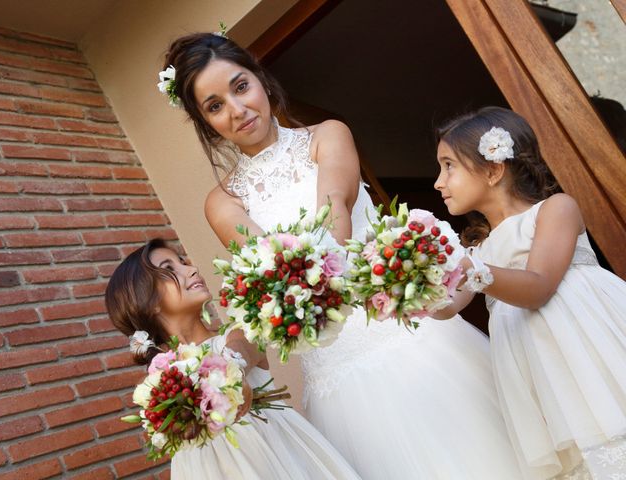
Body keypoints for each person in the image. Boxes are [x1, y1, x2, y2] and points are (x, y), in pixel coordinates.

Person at [158, 32, 523, 479]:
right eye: (214, 106)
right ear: (205, 121)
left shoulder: (327, 135)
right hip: (337, 377)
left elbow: (335, 202)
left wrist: (305, 270)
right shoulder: (222, 202)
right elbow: (267, 276)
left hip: (409, 340)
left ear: (261, 80)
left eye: (240, 86)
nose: (237, 110)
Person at [433, 106, 626, 479]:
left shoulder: (555, 209)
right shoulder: (478, 249)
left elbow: (538, 285)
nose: (439, 182)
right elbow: (448, 307)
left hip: (586, 344)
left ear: (493, 168)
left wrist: (471, 270)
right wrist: (409, 287)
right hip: (541, 368)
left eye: (449, 166)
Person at [105, 238, 361, 480]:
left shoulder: (238, 333)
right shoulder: (162, 382)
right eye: (170, 268)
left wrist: (232, 368)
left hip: (276, 456)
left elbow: (242, 349)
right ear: (147, 301)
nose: (192, 269)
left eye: (184, 262)